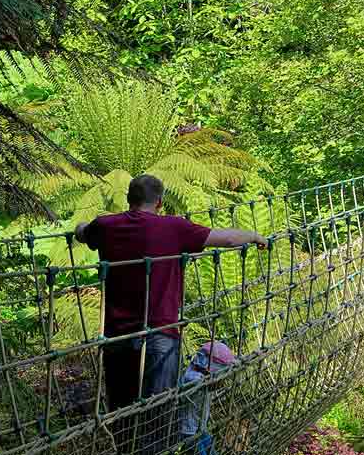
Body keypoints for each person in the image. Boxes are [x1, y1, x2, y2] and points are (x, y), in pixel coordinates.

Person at [75, 174, 266, 453]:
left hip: (117, 338)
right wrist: (254, 236)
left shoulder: (105, 225)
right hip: (160, 337)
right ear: (160, 202)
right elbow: (225, 238)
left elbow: (82, 232)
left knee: (122, 413)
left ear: (129, 199)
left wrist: (83, 226)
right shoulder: (175, 227)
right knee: (156, 417)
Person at [179, 341, 237, 455]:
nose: (221, 383)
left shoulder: (205, 378)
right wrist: (206, 380)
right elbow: (189, 379)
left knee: (212, 451)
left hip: (201, 428)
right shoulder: (194, 378)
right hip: (189, 432)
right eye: (220, 378)